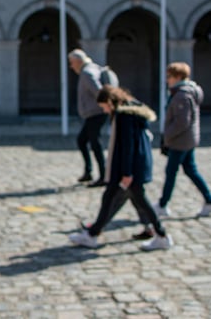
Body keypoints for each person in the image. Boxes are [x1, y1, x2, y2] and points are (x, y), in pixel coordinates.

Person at [69, 85, 173, 251]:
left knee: (137, 200)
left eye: (104, 107)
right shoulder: (133, 110)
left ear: (110, 102)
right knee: (113, 197)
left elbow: (127, 146)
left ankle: (161, 235)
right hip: (133, 166)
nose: (104, 111)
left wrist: (126, 172)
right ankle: (93, 234)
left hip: (127, 169)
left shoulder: (124, 116)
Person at [152, 62, 211, 218]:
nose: (167, 80)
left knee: (171, 172)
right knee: (191, 170)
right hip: (187, 139)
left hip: (180, 141)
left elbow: (182, 122)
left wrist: (167, 135)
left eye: (169, 76)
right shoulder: (185, 92)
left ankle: (163, 204)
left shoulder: (182, 95)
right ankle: (210, 201)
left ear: (178, 77)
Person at [68, 49, 108, 187]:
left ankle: (103, 175)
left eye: (72, 63)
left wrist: (104, 104)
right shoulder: (91, 68)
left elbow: (98, 91)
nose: (71, 66)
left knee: (94, 143)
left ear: (79, 61)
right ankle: (89, 171)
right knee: (82, 140)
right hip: (94, 113)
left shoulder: (86, 73)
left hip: (95, 113)